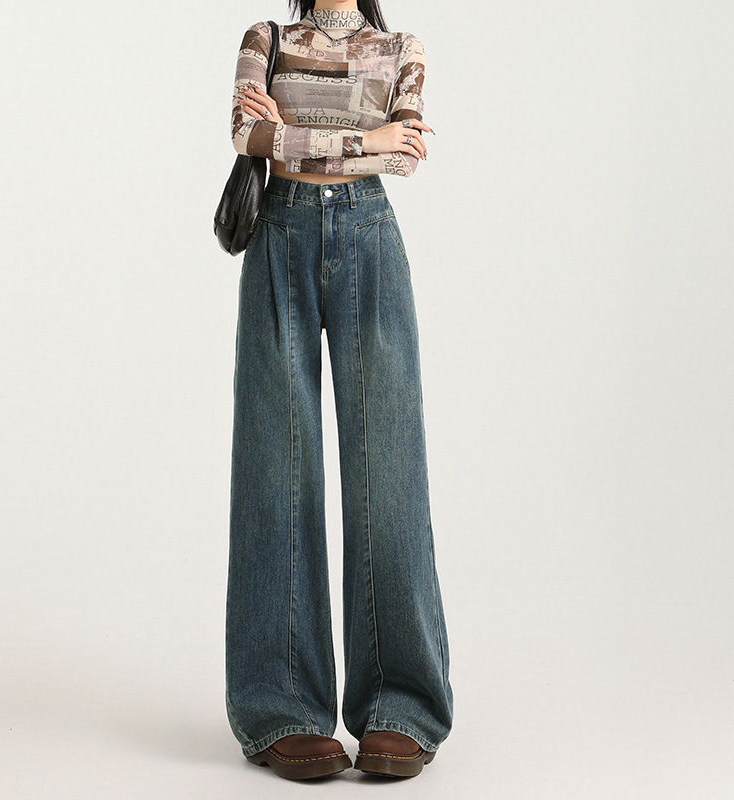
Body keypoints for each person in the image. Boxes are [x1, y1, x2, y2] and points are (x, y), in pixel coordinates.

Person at [225, 0, 453, 780]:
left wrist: (298, 132)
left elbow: (405, 156)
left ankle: (403, 705)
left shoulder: (402, 47)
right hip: (278, 236)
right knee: (276, 465)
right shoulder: (266, 38)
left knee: (386, 466)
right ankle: (279, 705)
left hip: (369, 236)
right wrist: (368, 137)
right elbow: (248, 137)